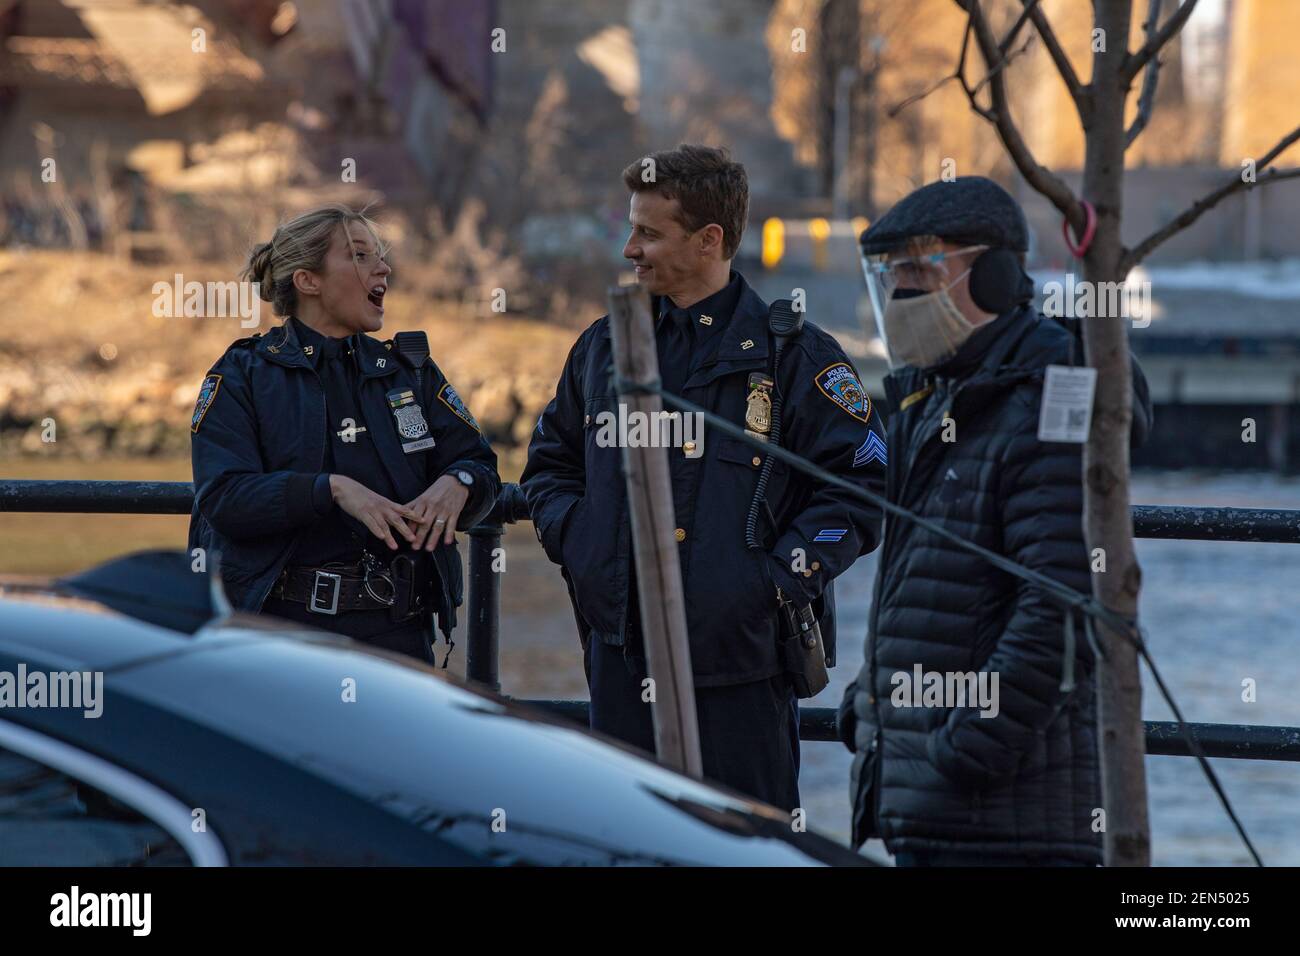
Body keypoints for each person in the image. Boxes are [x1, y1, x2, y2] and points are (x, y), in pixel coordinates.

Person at [521, 145, 885, 811]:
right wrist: (582, 546)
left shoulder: (795, 357)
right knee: (624, 845)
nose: (629, 249)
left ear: (709, 240)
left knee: (745, 850)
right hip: (620, 660)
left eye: (649, 233)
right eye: (631, 229)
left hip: (740, 669)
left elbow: (860, 487)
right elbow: (548, 468)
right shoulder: (603, 349)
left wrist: (771, 583)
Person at [838, 176, 1153, 866]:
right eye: (892, 275)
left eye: (922, 270)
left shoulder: (1048, 401)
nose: (901, 294)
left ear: (997, 276)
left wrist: (965, 748)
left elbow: (1061, 605)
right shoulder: (936, 398)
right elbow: (929, 590)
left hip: (1007, 819)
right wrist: (876, 706)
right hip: (932, 807)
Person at [188, 203, 500, 665]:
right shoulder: (243, 374)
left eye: (379, 255)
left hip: (399, 637)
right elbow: (224, 497)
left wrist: (460, 484)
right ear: (308, 280)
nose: (384, 267)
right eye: (358, 255)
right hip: (279, 637)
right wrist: (330, 490)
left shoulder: (408, 371)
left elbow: (480, 465)